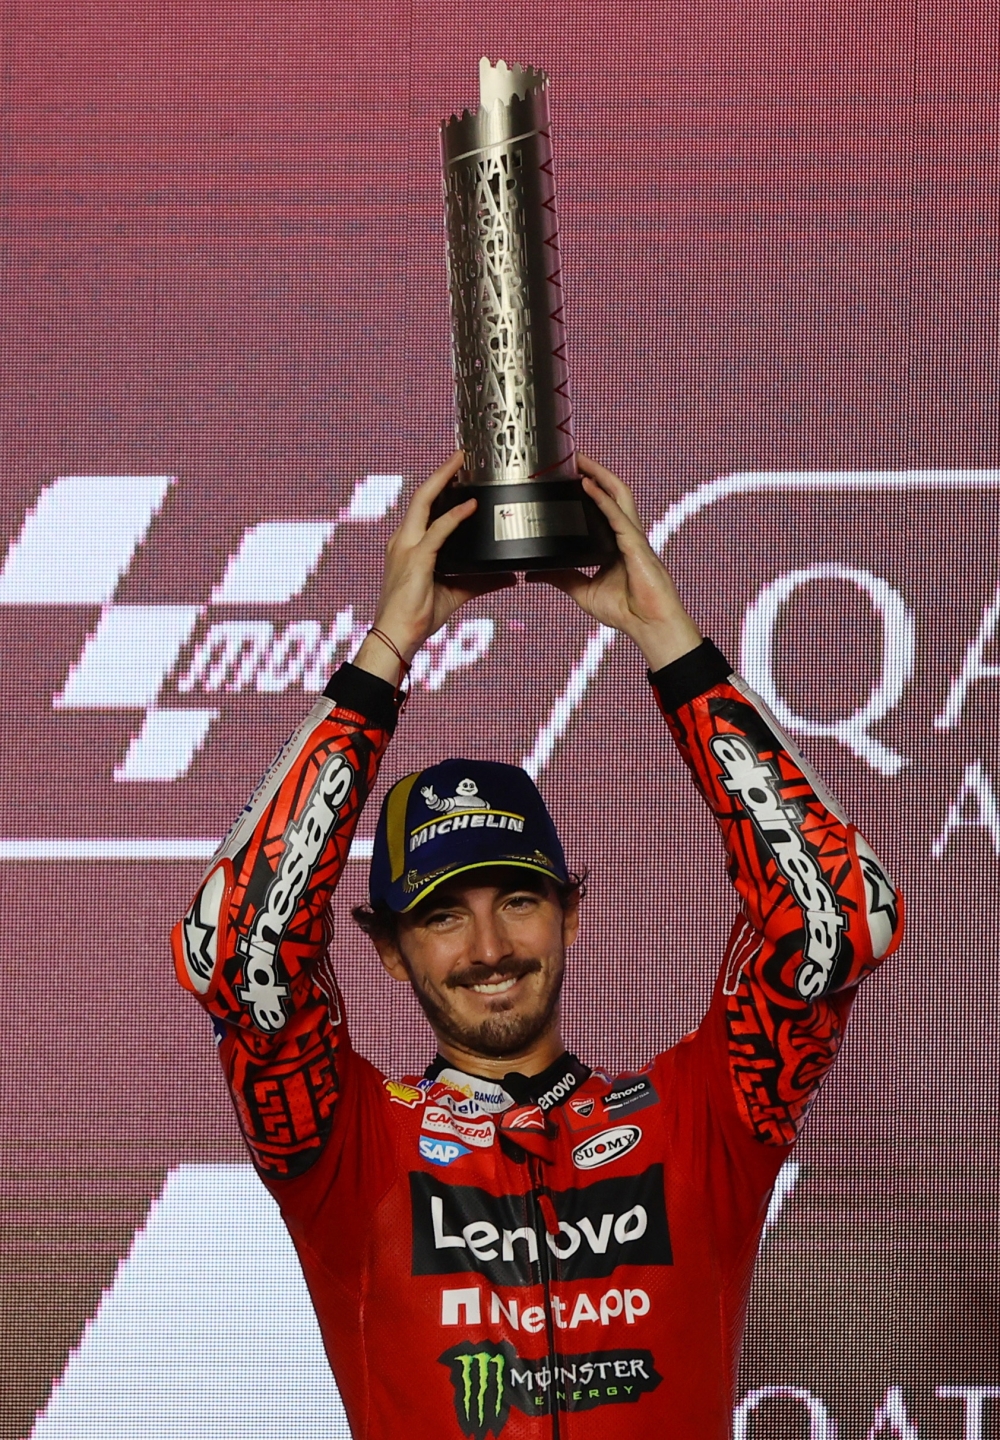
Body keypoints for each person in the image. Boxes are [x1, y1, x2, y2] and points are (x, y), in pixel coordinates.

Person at [172, 451, 903, 1439]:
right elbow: (236, 954)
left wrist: (668, 640)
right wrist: (386, 650)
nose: (488, 946)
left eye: (517, 900)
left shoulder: (700, 1122)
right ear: (389, 951)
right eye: (441, 915)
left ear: (569, 913)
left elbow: (840, 920)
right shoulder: (353, 1151)